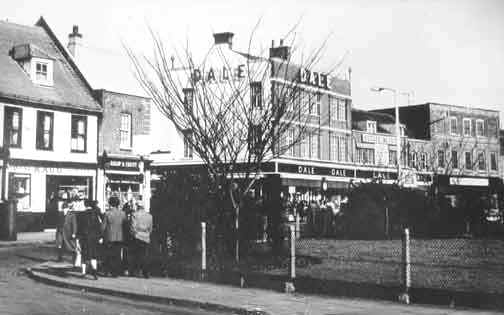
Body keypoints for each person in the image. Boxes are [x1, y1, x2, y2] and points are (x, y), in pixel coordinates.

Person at [102, 196, 126, 277]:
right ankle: (115, 272)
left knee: (108, 255)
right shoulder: (122, 213)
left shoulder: (107, 213)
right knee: (117, 255)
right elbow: (125, 225)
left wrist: (101, 235)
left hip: (109, 237)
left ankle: (107, 271)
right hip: (119, 237)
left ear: (110, 203)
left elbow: (103, 227)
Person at [128, 200, 153, 278]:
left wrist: (134, 234)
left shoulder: (135, 215)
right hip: (146, 236)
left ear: (137, 206)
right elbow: (150, 228)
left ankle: (135, 271)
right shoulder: (149, 216)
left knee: (135, 255)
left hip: (137, 236)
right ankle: (146, 272)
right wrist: (147, 234)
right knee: (144, 255)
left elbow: (133, 227)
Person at [80, 200, 103, 280]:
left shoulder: (82, 214)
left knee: (84, 255)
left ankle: (83, 272)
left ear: (85, 205)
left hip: (85, 237)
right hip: (94, 237)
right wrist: (100, 237)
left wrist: (78, 238)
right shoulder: (95, 214)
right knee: (93, 255)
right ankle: (95, 272)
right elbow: (98, 226)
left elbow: (80, 228)